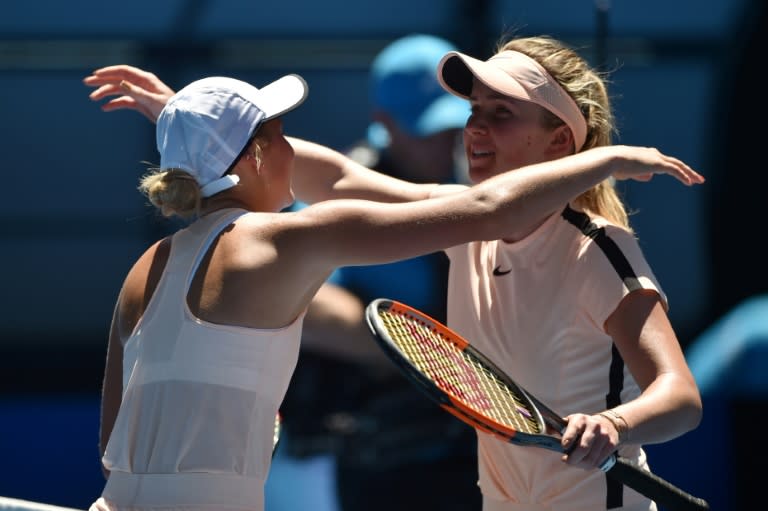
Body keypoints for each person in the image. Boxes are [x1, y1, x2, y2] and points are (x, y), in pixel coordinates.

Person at [83, 35, 704, 511]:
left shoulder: (144, 267)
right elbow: (470, 204)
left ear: (558, 143)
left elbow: (681, 398)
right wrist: (611, 159)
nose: (476, 127)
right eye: (475, 110)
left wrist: (191, 127)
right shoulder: (456, 227)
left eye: (502, 113)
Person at [275, 34, 481, 511]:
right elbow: (297, 301)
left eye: (454, 127)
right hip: (376, 465)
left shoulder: (474, 186)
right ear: (384, 123)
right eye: (427, 130)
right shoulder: (336, 197)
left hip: (464, 454)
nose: (446, 142)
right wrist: (430, 362)